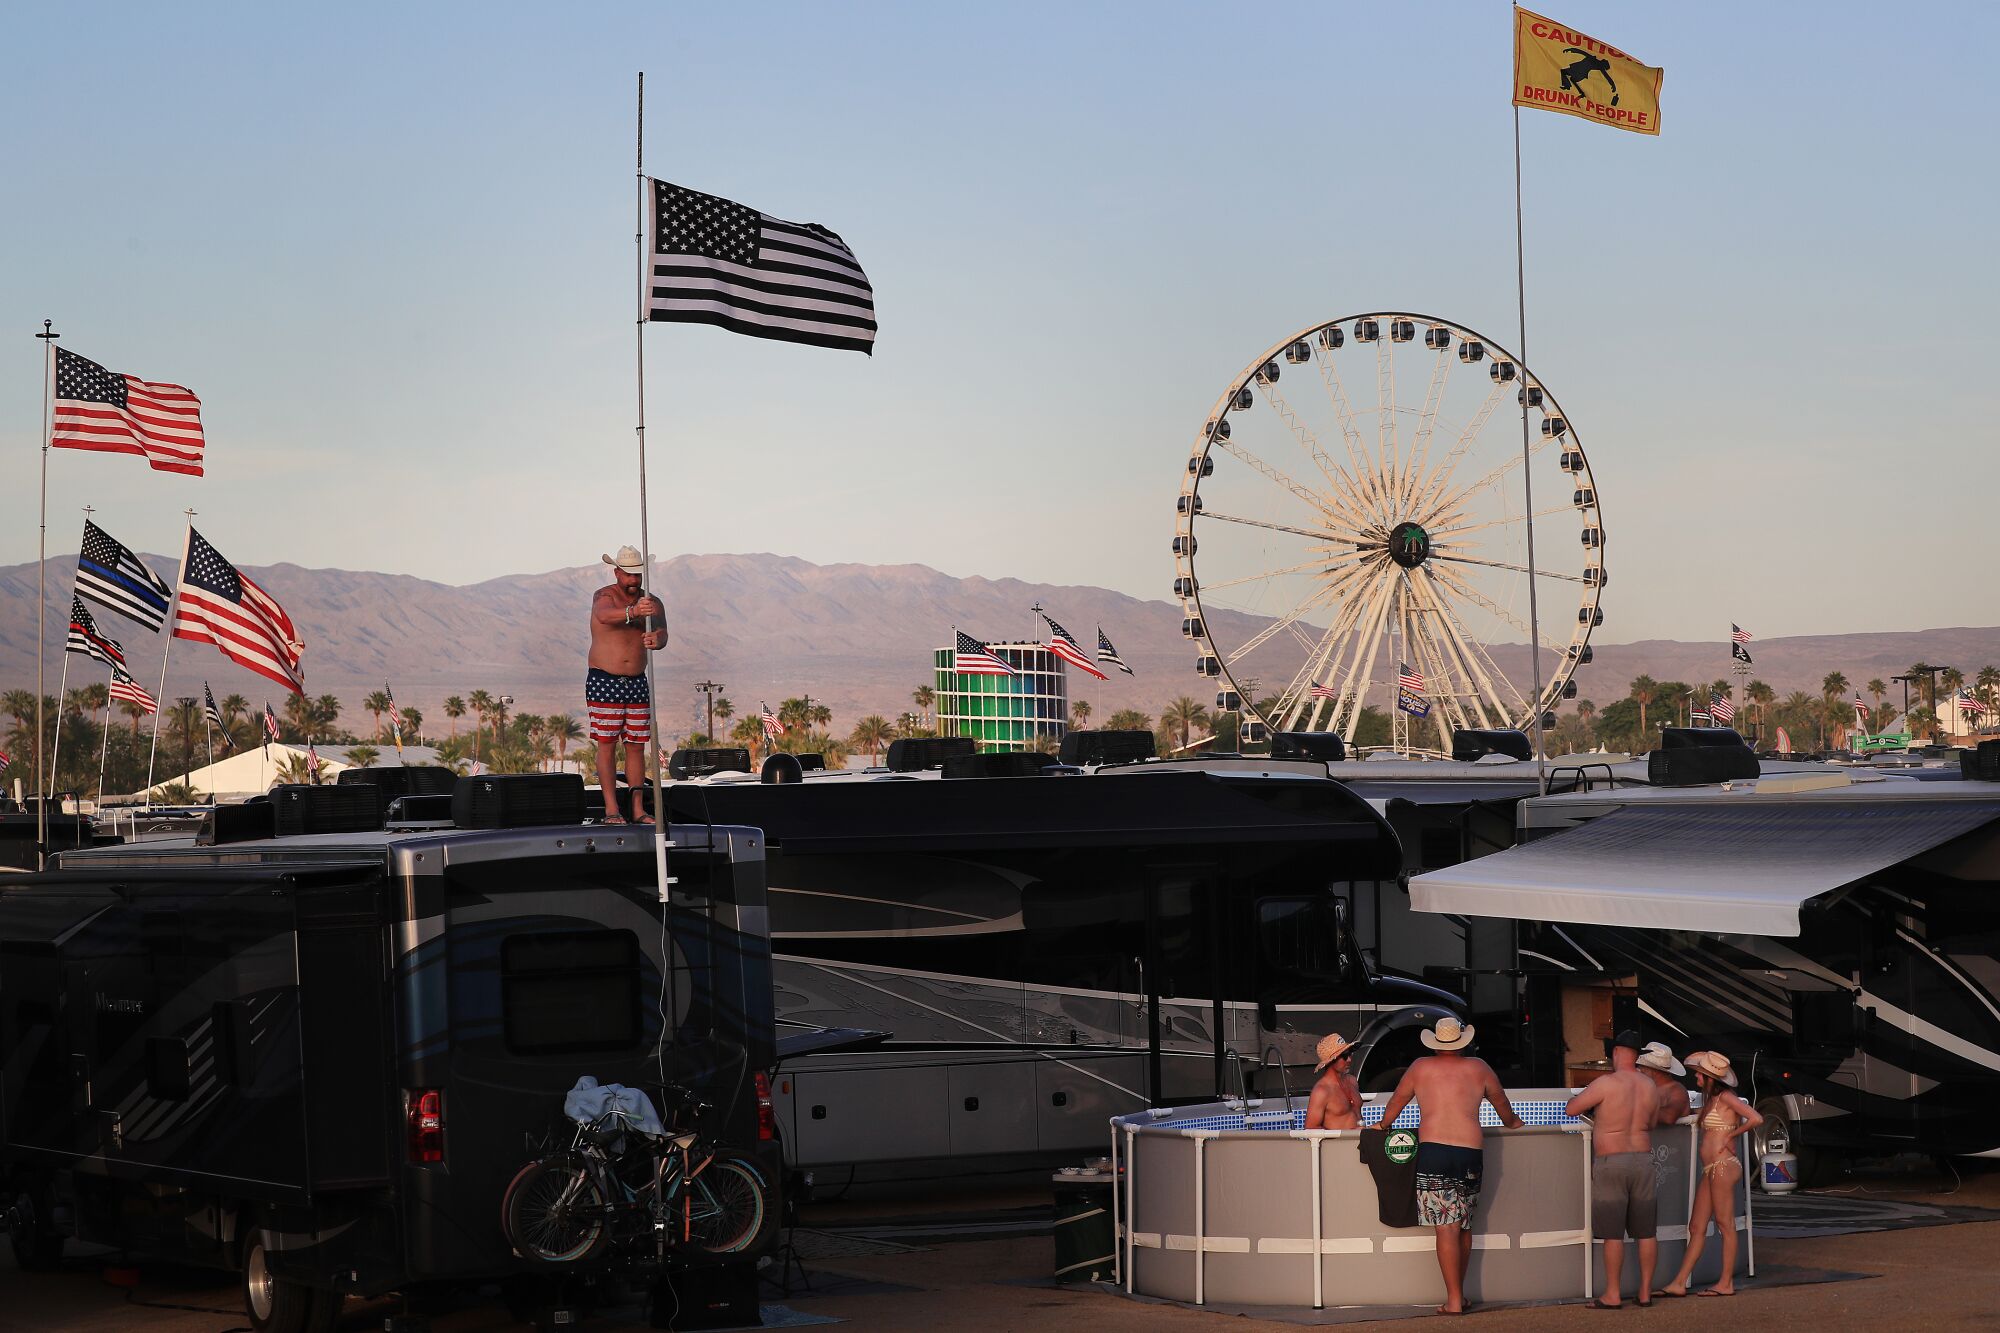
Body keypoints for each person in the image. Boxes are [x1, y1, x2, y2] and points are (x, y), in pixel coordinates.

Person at [1364, 1016, 1524, 1316]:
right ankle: (1459, 1296)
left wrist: (1382, 1125)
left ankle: (1453, 1299)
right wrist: (1515, 1124)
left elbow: (1396, 1103)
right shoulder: (1479, 1068)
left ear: (1436, 1043)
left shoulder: (1420, 1067)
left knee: (1446, 1229)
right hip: (1469, 1154)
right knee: (1463, 1225)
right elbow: (1505, 1109)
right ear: (1462, 1041)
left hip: (1434, 1153)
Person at [1565, 1030, 1664, 1308]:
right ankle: (1645, 1293)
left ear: (1617, 1053)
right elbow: (1653, 1123)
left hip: (1612, 1162)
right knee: (1646, 1232)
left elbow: (1572, 1109)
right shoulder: (1649, 1086)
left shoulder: (1605, 1083)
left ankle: (1612, 1294)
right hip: (1643, 1161)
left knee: (1612, 1233)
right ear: (1637, 1056)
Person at [1661, 1051, 1763, 1299]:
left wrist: (1731, 1135)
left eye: (1700, 1073)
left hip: (1722, 1165)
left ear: (1709, 1078)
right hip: (1713, 1167)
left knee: (1725, 1225)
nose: (1696, 1075)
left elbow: (1756, 1117)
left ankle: (1726, 1283)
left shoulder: (1727, 1097)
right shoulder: (1711, 1100)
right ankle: (1678, 1282)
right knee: (1696, 1226)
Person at [588, 545, 666, 824]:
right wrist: (633, 611)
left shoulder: (653, 601)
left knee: (636, 745)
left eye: (638, 575)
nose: (634, 580)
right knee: (606, 743)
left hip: (637, 682)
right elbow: (604, 615)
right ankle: (611, 810)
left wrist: (657, 639)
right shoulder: (604, 595)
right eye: (629, 575)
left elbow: (663, 632)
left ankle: (638, 809)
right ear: (617, 572)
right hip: (604, 680)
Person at [1304, 1033, 1360, 1130]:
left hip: (1360, 1140)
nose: (1349, 1059)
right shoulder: (1321, 1091)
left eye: (1350, 1053)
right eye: (1344, 1056)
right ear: (1330, 1061)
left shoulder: (1352, 1080)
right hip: (1338, 1144)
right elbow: (1310, 1128)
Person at [1638, 1041, 1691, 1126]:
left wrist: (1634, 1109)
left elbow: (1669, 1117)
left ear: (1653, 1070)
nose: (1640, 1069)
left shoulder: (1677, 1090)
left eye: (1642, 1066)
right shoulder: (1647, 1088)